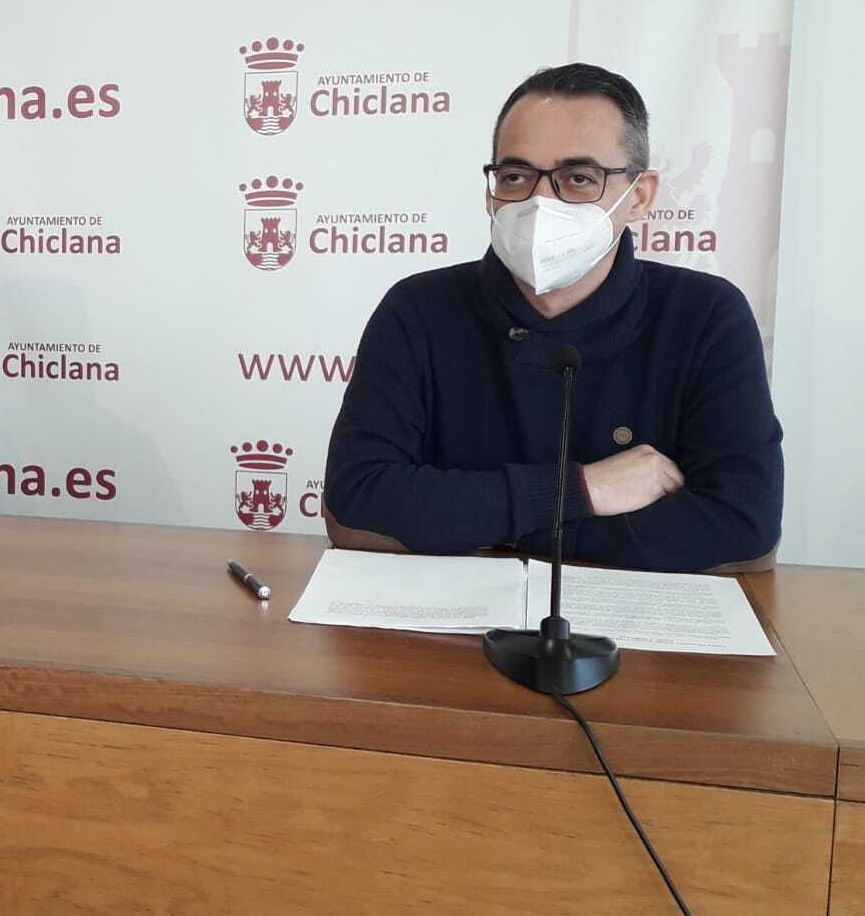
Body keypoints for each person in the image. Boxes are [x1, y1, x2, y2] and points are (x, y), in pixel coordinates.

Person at [322, 63, 781, 572]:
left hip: (636, 639)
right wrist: (584, 490)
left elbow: (744, 531)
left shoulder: (707, 317)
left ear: (641, 196)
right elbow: (356, 506)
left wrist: (481, 525)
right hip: (443, 632)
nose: (540, 202)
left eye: (578, 178)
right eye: (515, 176)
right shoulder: (418, 309)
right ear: (490, 189)